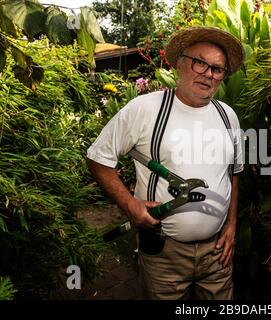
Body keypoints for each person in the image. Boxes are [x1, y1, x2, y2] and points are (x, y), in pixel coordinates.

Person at [86, 26, 244, 300]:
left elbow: (233, 173)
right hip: (163, 253)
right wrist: (129, 205)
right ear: (181, 64)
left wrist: (231, 226)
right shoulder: (145, 109)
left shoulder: (227, 115)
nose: (208, 73)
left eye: (217, 69)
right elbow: (98, 158)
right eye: (200, 63)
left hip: (217, 253)